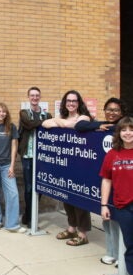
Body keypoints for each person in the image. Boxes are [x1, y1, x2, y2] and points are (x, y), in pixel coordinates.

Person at [76, 97, 127, 264]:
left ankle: (123, 256)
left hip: (123, 180)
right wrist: (97, 125)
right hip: (107, 178)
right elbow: (79, 126)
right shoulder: (102, 126)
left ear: (122, 113)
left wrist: (112, 127)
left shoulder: (124, 127)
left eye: (116, 110)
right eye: (109, 109)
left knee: (123, 223)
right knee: (108, 219)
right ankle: (112, 253)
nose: (112, 113)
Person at [42, 90, 92, 246]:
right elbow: (44, 123)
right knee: (67, 198)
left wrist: (60, 123)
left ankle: (82, 234)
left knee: (80, 200)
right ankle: (71, 228)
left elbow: (77, 125)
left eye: (74, 101)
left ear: (79, 103)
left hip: (81, 165)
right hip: (65, 165)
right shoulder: (62, 118)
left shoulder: (84, 117)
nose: (71, 103)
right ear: (65, 103)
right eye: (68, 100)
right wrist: (62, 122)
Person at [100, 116, 133, 275]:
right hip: (123, 206)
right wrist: (104, 204)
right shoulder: (113, 154)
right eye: (124, 130)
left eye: (131, 129)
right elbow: (106, 180)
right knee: (131, 245)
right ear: (119, 133)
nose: (128, 133)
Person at [0, 103, 26, 233]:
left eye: (3, 112)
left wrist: (13, 166)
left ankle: (12, 224)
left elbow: (14, 147)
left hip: (7, 164)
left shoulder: (11, 127)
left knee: (12, 193)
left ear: (6, 113)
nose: (1, 114)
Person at [18, 87, 52, 228]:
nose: (35, 98)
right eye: (32, 95)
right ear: (28, 97)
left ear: (40, 97)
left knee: (40, 186)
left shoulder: (47, 115)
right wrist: (44, 124)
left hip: (42, 156)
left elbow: (51, 127)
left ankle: (30, 214)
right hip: (28, 155)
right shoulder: (24, 113)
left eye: (37, 95)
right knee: (28, 187)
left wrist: (49, 122)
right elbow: (29, 124)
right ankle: (30, 215)